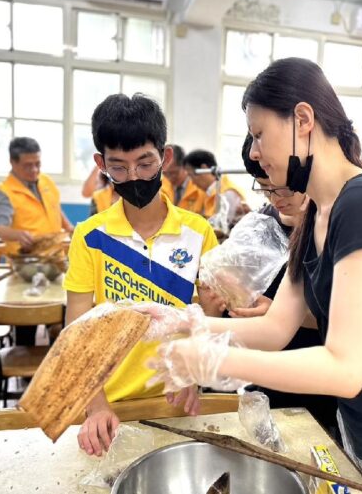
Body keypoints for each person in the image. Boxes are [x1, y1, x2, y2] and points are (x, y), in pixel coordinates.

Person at [147, 58, 362, 492]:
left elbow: (344, 367)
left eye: (259, 134)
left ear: (303, 120)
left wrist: (213, 360)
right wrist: (186, 322)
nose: (253, 152)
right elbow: (273, 328)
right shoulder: (318, 214)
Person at [63, 93, 219, 457]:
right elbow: (76, 334)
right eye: (119, 167)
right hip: (109, 403)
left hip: (176, 399)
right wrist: (95, 405)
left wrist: (193, 371)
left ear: (165, 157)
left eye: (145, 163)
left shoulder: (198, 233)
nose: (134, 177)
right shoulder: (90, 236)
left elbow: (210, 320)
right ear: (101, 164)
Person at [236, 133, 338, 435]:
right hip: (272, 374)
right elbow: (257, 309)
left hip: (321, 377)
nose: (276, 198)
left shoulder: (332, 223)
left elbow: (341, 322)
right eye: (265, 188)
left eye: (281, 187)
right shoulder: (263, 223)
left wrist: (278, 314)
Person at [0, 137, 74, 346]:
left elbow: (55, 208)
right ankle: (23, 364)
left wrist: (69, 227)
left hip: (54, 265)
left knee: (58, 321)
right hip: (26, 269)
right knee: (26, 325)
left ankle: (55, 362)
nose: (34, 170)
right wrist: (18, 235)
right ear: (13, 162)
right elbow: (0, 229)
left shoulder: (46, 182)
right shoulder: (4, 192)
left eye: (38, 164)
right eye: (28, 165)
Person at [182, 149, 246, 223]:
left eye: (191, 175)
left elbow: (225, 225)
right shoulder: (207, 193)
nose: (192, 182)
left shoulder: (227, 194)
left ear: (204, 168)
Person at [161, 144, 206, 213]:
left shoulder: (200, 188)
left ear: (184, 166)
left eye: (173, 173)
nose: (169, 178)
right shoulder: (160, 187)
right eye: (164, 173)